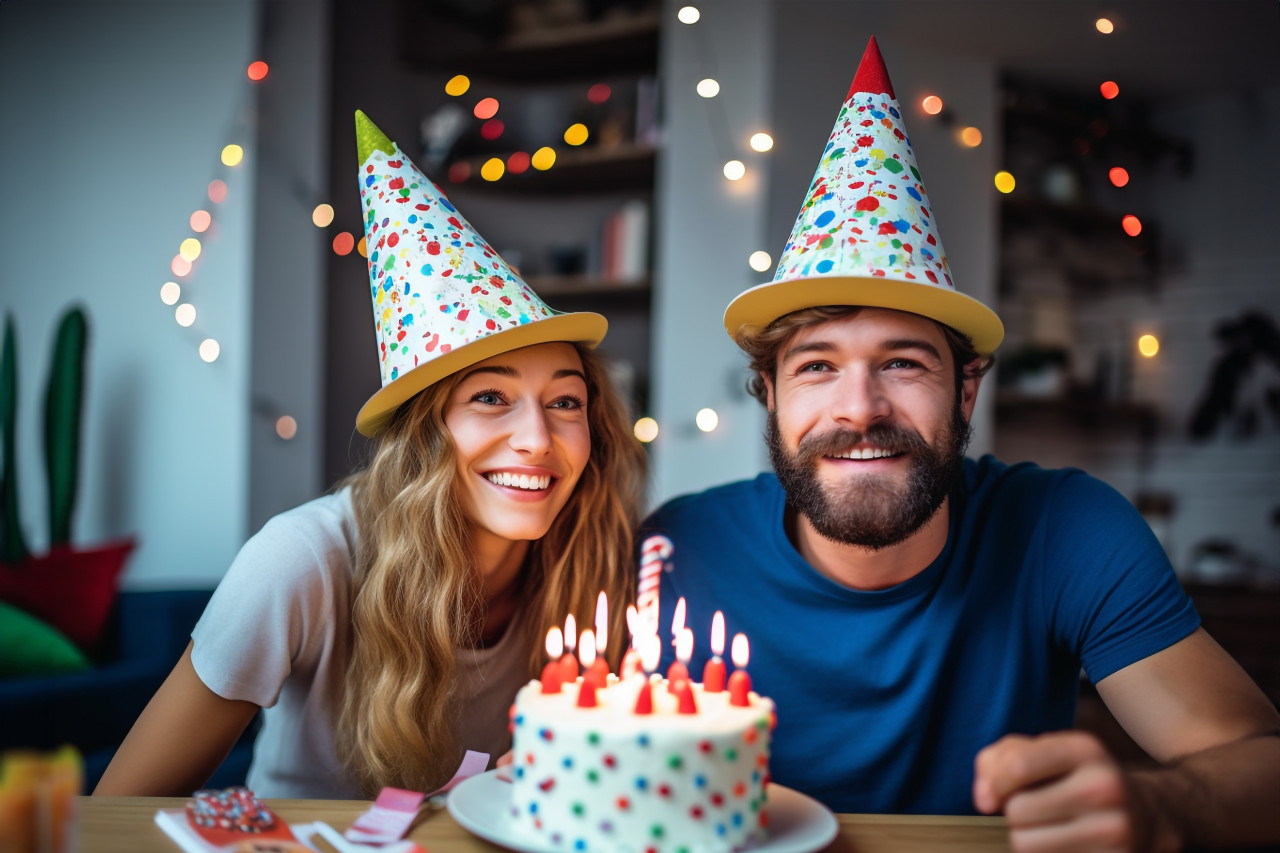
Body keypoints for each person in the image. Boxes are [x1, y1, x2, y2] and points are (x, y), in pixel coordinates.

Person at [642, 38, 1280, 851]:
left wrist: (1166, 807)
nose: (860, 408)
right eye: (816, 367)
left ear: (966, 388)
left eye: (903, 363)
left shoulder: (1066, 527)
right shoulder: (677, 547)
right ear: (769, 394)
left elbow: (1259, 763)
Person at [95, 111, 645, 799]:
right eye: (490, 398)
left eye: (565, 402)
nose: (538, 438)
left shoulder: (597, 563)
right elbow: (113, 816)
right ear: (424, 431)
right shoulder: (298, 561)